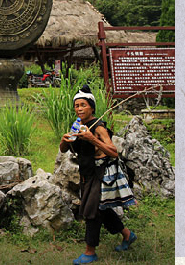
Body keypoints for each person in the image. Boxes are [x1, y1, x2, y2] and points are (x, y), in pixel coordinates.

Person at [59, 84, 137, 264]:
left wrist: (93, 139)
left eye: (83, 105)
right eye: (77, 105)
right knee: (103, 209)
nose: (79, 109)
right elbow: (64, 149)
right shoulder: (78, 126)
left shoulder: (98, 127)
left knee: (92, 211)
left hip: (100, 175)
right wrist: (64, 141)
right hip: (86, 175)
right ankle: (127, 235)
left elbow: (113, 151)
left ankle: (89, 252)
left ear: (92, 107)